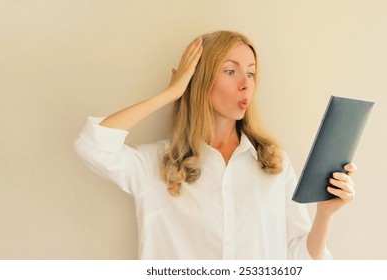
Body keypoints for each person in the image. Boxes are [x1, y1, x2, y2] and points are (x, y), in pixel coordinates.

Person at [74, 30, 357, 260]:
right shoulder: (157, 164)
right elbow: (93, 144)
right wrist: (171, 93)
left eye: (251, 73)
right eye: (230, 72)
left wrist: (324, 215)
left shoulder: (272, 164)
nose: (245, 84)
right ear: (200, 80)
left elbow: (299, 261)